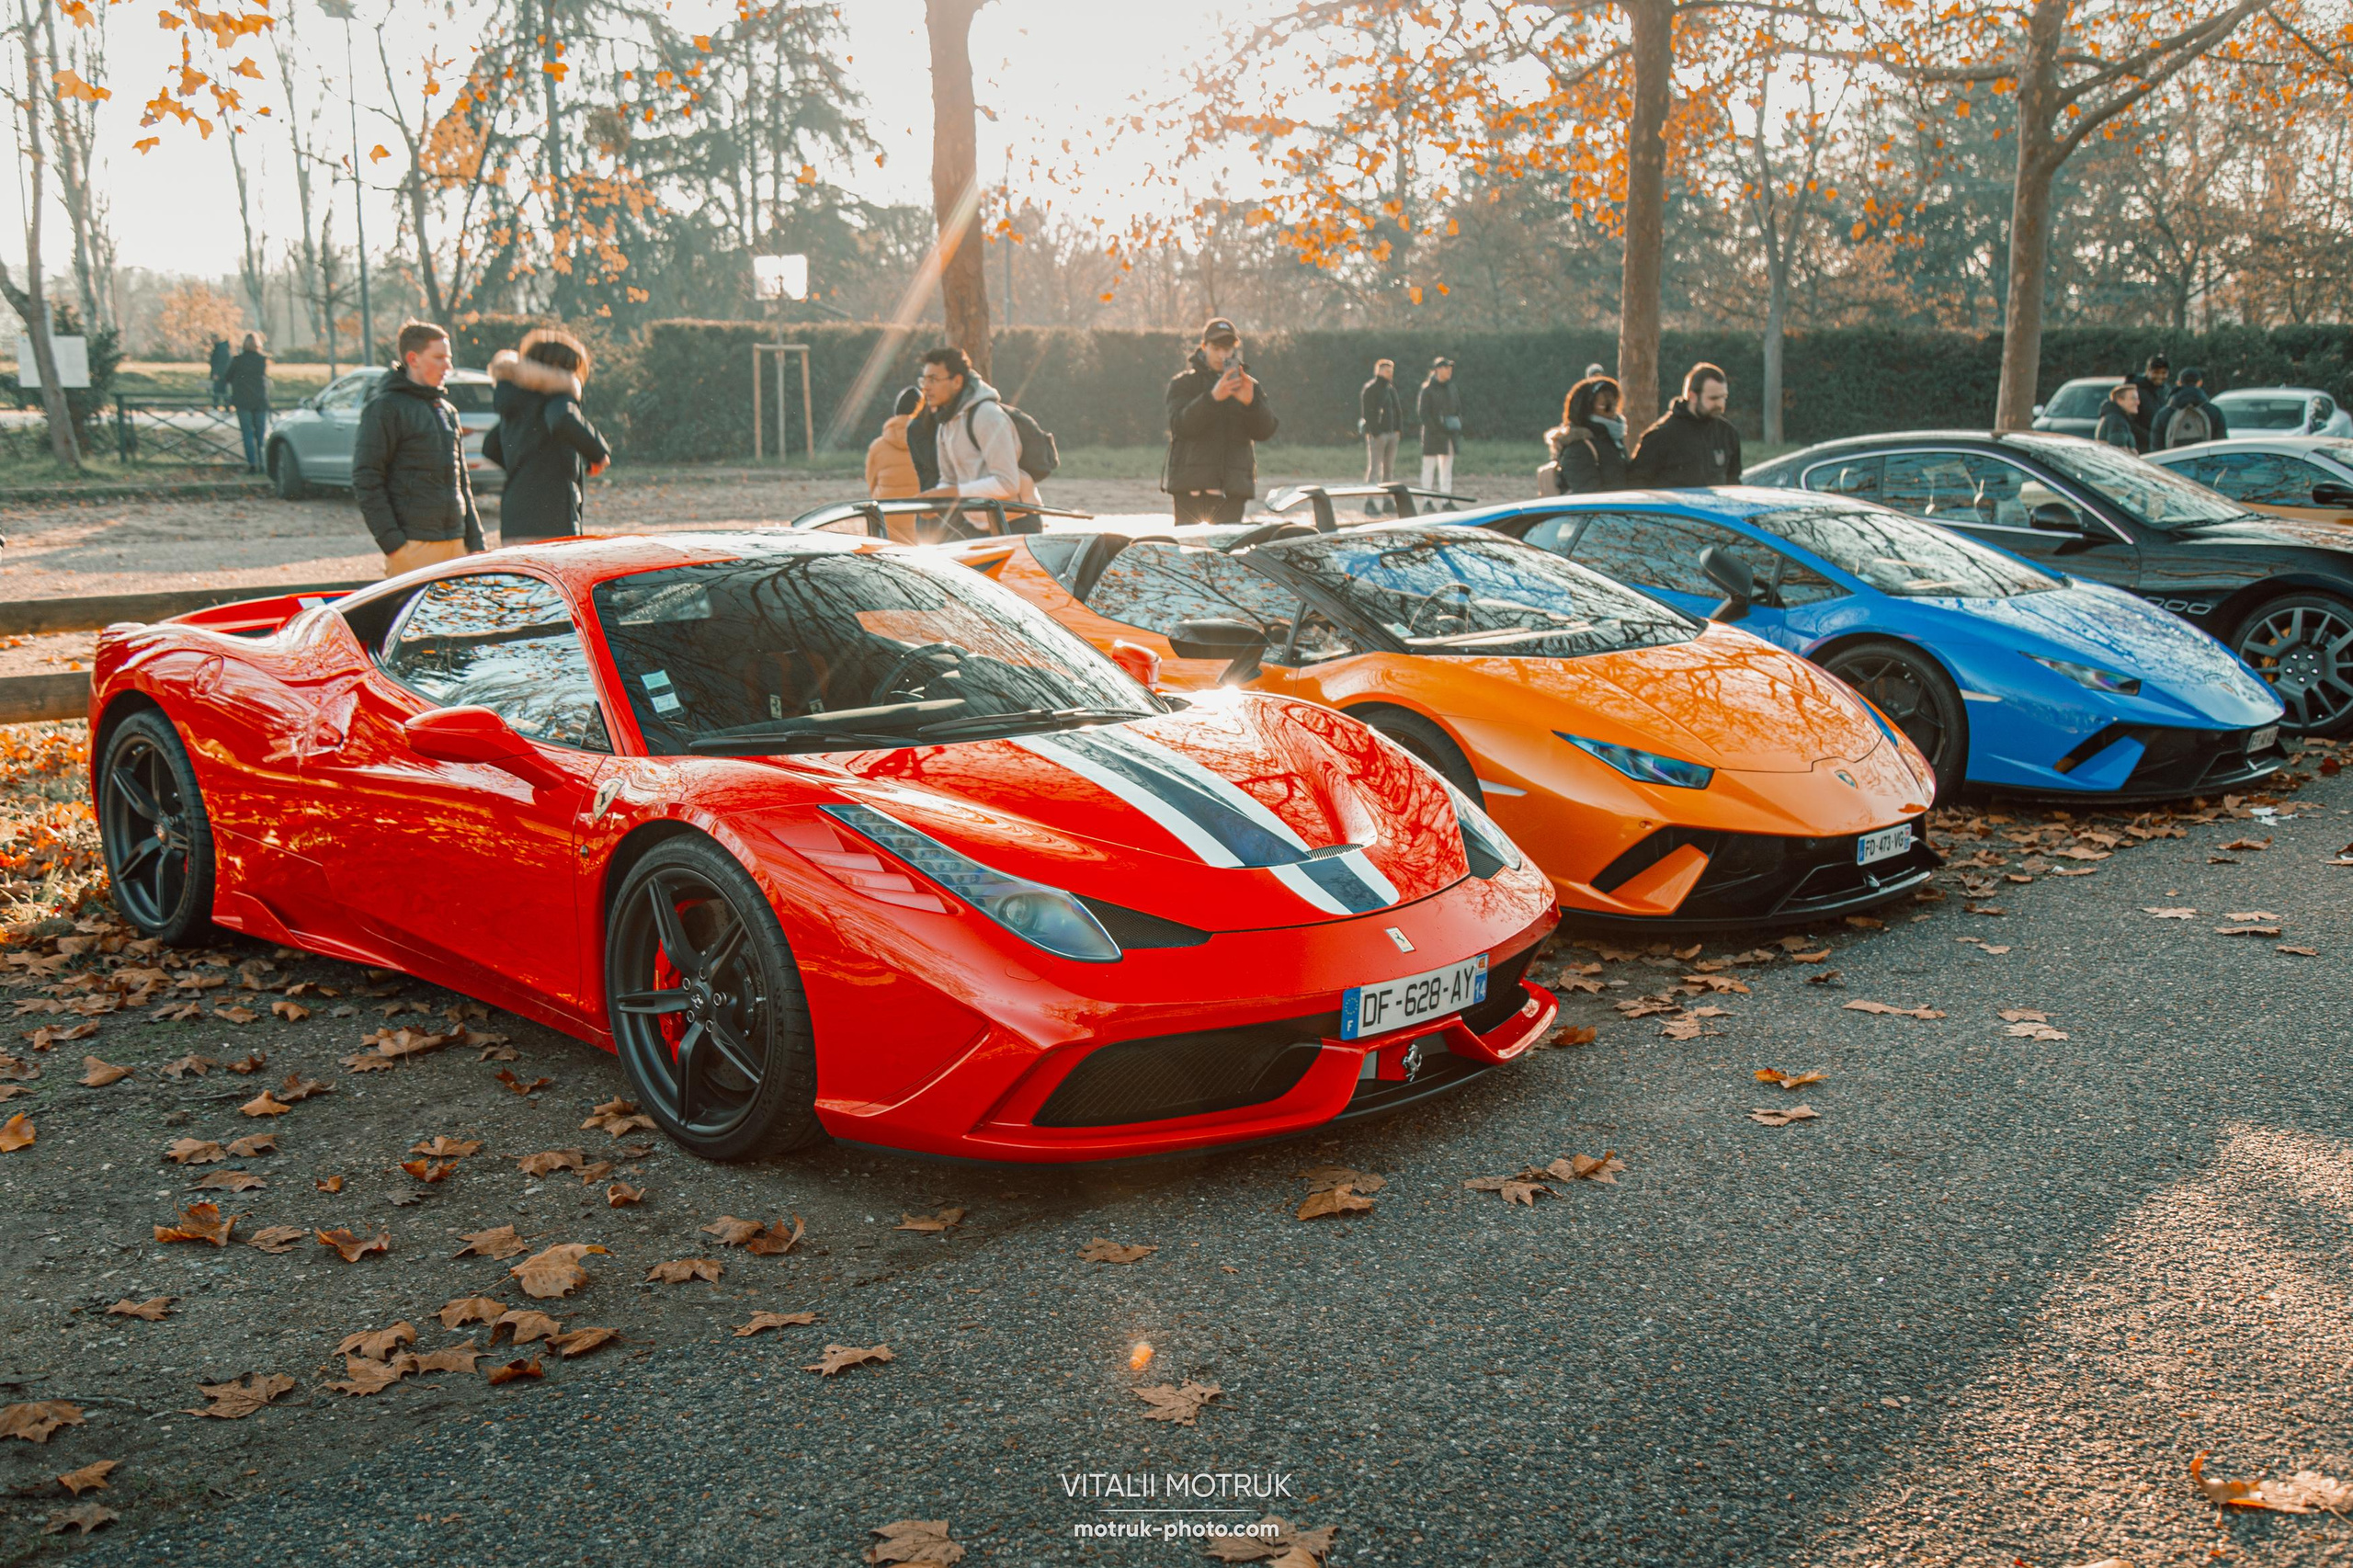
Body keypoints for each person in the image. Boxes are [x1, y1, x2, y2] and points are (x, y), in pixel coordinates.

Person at [352, 320, 484, 576]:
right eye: (439, 357)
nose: (449, 366)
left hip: (457, 546)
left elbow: (461, 483)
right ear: (413, 358)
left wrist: (475, 542)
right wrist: (394, 545)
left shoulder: (446, 410)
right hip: (413, 548)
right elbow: (366, 477)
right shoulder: (385, 408)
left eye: (449, 357)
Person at [486, 326, 609, 543]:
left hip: (514, 522)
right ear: (558, 368)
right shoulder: (558, 396)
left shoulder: (516, 403)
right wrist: (597, 453)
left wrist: (527, 467)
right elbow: (562, 418)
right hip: (553, 522)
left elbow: (490, 446)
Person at [1162, 317, 1277, 526]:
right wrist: (1212, 398)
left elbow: (1266, 431)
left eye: (1228, 348)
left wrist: (1250, 404)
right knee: (1189, 552)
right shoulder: (1183, 383)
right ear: (1204, 347)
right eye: (1216, 348)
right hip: (1191, 487)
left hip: (1231, 489)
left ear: (1235, 349)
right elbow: (1180, 426)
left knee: (1226, 554)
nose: (1223, 355)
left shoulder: (1248, 385)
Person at [915, 345, 1040, 517]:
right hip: (977, 523)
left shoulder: (987, 416)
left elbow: (1007, 483)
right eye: (924, 380)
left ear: (957, 381)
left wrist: (951, 494)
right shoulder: (945, 422)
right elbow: (949, 481)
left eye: (933, 379)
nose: (926, 387)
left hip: (1014, 522)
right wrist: (936, 503)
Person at [1628, 362, 1743, 488]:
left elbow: (1733, 482)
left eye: (1724, 397)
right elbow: (1637, 484)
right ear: (1692, 396)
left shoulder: (1727, 433)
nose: (1720, 404)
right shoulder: (1661, 436)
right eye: (1713, 398)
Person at [1545, 375, 1629, 494]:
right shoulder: (1579, 448)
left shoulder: (1611, 441)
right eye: (1606, 405)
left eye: (1615, 403)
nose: (1613, 409)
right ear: (1586, 409)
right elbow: (1589, 498)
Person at [865, 386, 925, 500]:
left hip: (887, 512)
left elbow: (872, 484)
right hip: (921, 513)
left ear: (897, 410)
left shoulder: (877, 447)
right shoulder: (932, 443)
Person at [225, 333, 271, 474]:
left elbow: (227, 377)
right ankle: (263, 464)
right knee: (261, 435)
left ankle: (251, 463)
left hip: (243, 401)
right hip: (259, 401)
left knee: (247, 434)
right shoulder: (262, 360)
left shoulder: (237, 360)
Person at [2155, 367, 2229, 449]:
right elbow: (2222, 446)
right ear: (2200, 382)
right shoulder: (2214, 412)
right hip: (2205, 461)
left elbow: (2156, 448)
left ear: (2178, 383)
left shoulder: (2163, 414)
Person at [1417, 357, 1461, 493]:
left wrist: (1455, 425)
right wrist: (1437, 429)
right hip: (1433, 436)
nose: (1449, 371)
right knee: (1429, 468)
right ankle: (1427, 500)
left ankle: (1446, 499)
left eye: (1450, 368)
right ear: (1438, 370)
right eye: (1446, 368)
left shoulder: (1452, 388)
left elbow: (1458, 409)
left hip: (1449, 435)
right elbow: (1424, 414)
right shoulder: (1428, 389)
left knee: (1446, 470)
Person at [1359, 358, 1404, 492]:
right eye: (1387, 371)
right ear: (1378, 371)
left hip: (1392, 434)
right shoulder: (1371, 389)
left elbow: (1397, 410)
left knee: (1389, 470)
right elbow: (1368, 413)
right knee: (1374, 469)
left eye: (1391, 371)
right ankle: (1370, 501)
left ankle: (1387, 501)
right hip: (1378, 435)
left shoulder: (1390, 389)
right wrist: (1376, 432)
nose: (1390, 374)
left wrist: (1398, 430)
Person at [2125, 354, 2170, 449]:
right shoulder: (2135, 390)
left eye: (2164, 372)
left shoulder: (2165, 390)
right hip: (2140, 447)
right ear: (2147, 371)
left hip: (2158, 446)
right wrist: (2152, 437)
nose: (2160, 376)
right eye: (2156, 372)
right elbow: (2129, 421)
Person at [2092, 382, 2142, 452]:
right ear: (2120, 400)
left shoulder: (2113, 417)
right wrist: (2133, 453)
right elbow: (2119, 453)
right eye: (2133, 399)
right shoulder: (2117, 421)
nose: (2138, 402)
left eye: (2137, 399)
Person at [207, 336, 233, 410]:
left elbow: (222, 363)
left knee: (219, 390)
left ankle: (220, 406)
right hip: (222, 374)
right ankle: (224, 406)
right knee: (221, 391)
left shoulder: (221, 349)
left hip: (220, 375)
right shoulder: (220, 348)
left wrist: (217, 373)